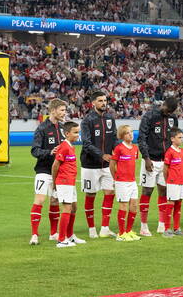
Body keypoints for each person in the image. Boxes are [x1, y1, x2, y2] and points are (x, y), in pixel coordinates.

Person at [137, 96, 179, 236]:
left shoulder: (173, 119)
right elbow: (141, 138)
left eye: (171, 112)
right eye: (167, 110)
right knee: (147, 191)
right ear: (164, 105)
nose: (168, 114)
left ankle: (162, 224)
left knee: (164, 191)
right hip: (151, 160)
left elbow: (174, 139)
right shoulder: (149, 116)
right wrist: (146, 158)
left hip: (166, 162)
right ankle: (143, 226)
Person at [80, 90, 118, 239]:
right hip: (90, 165)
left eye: (105, 101)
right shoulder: (87, 120)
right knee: (91, 194)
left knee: (110, 193)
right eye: (100, 101)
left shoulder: (110, 118)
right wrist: (102, 154)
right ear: (93, 103)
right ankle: (91, 229)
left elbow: (114, 138)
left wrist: (121, 149)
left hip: (107, 165)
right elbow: (86, 143)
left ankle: (105, 228)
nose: (104, 103)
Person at [29, 98, 66, 245]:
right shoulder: (42, 128)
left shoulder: (63, 128)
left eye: (65, 110)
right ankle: (34, 235)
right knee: (40, 200)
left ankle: (53, 233)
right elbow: (34, 150)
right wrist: (50, 152)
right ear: (53, 111)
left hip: (59, 171)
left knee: (55, 201)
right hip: (44, 170)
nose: (64, 113)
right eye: (62, 110)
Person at [52, 121, 84, 248]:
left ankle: (70, 236)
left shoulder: (71, 146)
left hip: (70, 182)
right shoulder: (64, 147)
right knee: (67, 208)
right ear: (67, 133)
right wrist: (55, 183)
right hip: (64, 182)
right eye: (75, 132)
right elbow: (55, 165)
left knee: (74, 208)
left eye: (78, 132)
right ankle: (61, 240)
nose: (78, 135)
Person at [110, 125, 140, 241]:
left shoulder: (134, 148)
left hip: (132, 181)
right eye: (127, 133)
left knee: (134, 206)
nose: (131, 134)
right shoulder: (119, 148)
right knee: (123, 206)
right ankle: (121, 233)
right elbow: (112, 165)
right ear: (122, 135)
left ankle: (129, 231)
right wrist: (116, 178)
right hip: (122, 182)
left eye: (131, 132)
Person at [162, 129, 183, 237]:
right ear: (172, 139)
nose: (181, 140)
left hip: (182, 181)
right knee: (171, 204)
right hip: (173, 181)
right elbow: (165, 168)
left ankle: (177, 228)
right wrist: (168, 180)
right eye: (179, 137)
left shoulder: (182, 151)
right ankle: (167, 229)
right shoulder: (169, 152)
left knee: (179, 204)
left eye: (182, 137)